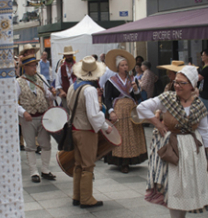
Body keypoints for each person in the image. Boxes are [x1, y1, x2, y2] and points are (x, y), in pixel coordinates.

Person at [137, 65, 208, 218]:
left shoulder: (198, 105)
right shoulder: (167, 99)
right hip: (173, 146)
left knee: (187, 185)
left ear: (191, 85)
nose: (177, 86)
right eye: (176, 82)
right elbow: (142, 107)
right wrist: (157, 125)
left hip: (192, 147)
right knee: (175, 184)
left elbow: (205, 130)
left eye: (182, 83)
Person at [67, 56, 111, 208]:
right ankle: (86, 198)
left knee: (78, 164)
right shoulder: (90, 90)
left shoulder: (72, 86)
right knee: (88, 165)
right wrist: (106, 126)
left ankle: (77, 195)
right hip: (86, 131)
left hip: (74, 129)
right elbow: (93, 115)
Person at [103, 49, 148, 174]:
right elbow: (107, 99)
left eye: (126, 65)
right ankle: (122, 162)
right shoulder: (111, 81)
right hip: (119, 110)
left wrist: (136, 89)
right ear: (117, 67)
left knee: (131, 135)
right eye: (122, 65)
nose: (125, 67)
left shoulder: (132, 79)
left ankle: (131, 159)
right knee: (121, 134)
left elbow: (137, 97)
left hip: (131, 110)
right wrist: (111, 112)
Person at [16, 55, 57, 183]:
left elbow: (48, 96)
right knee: (30, 146)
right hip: (28, 118)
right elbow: (13, 102)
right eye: (32, 66)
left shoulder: (42, 78)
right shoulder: (18, 82)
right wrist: (23, 113)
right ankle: (34, 172)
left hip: (43, 116)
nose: (35, 68)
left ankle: (45, 169)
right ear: (25, 67)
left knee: (46, 144)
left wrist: (53, 93)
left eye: (35, 65)